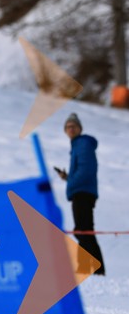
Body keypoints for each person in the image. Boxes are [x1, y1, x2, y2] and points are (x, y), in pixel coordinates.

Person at [55, 113, 105, 276]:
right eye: (68, 127)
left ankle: (93, 270)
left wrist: (71, 182)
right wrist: (68, 178)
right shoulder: (78, 145)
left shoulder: (83, 143)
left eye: (73, 126)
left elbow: (86, 170)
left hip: (82, 193)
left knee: (83, 230)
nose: (71, 129)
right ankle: (90, 269)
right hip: (82, 191)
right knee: (83, 230)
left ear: (80, 128)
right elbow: (83, 171)